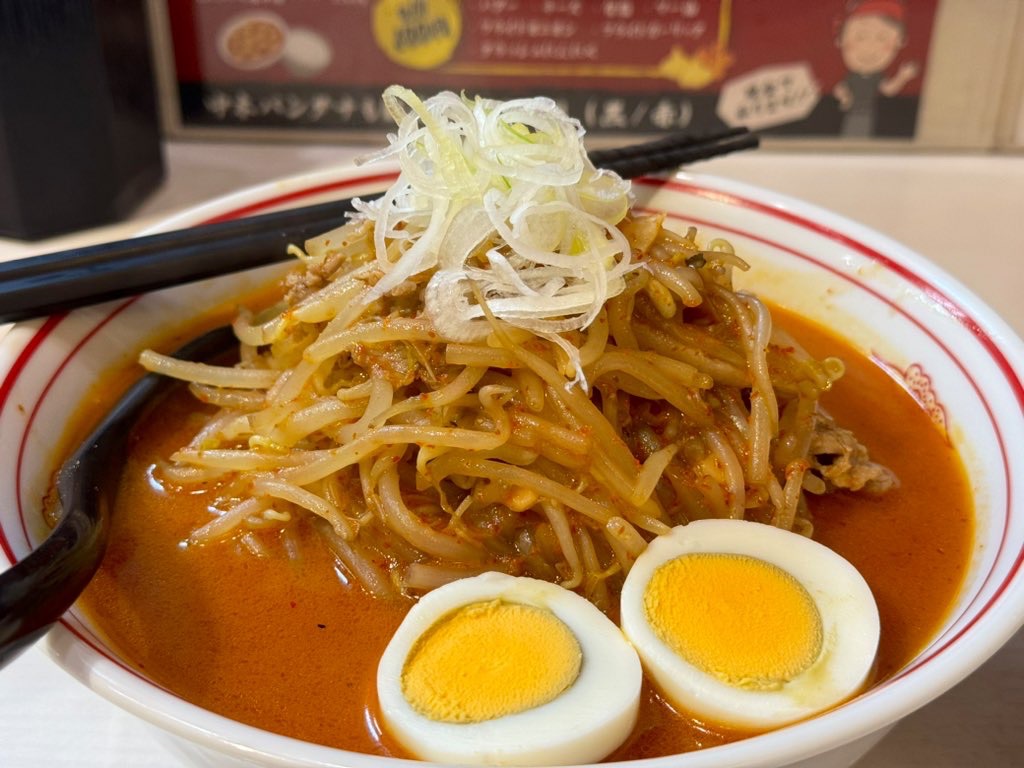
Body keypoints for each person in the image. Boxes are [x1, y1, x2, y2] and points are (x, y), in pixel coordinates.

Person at [833, 0, 919, 138]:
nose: (870, 48)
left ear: (900, 42)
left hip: (870, 116)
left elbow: (889, 90)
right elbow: (840, 89)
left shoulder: (877, 76)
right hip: (849, 115)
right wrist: (844, 97)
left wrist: (903, 76)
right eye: (860, 37)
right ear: (840, 39)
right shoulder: (852, 76)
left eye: (882, 38)